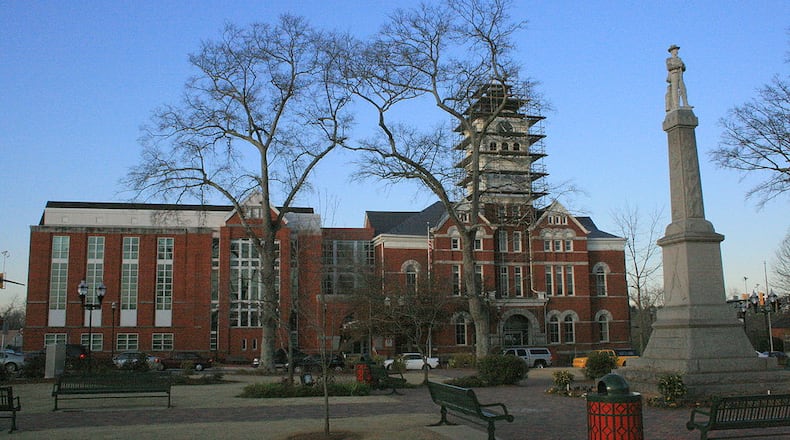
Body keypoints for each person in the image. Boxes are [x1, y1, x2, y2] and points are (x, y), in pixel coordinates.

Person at [665, 44, 689, 111]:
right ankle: (676, 105)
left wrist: (682, 66)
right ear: (672, 51)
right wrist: (677, 66)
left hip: (680, 75)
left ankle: (686, 104)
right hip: (674, 74)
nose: (676, 51)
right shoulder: (669, 59)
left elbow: (684, 67)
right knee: (674, 90)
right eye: (675, 50)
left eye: (677, 50)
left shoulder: (679, 59)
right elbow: (669, 67)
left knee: (683, 89)